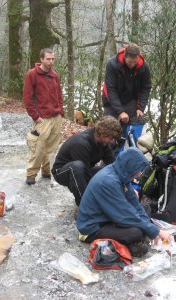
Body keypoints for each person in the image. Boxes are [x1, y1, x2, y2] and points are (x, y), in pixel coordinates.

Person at [76, 147, 172, 257]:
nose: (140, 174)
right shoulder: (108, 181)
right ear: (130, 167)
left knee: (145, 208)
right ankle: (133, 242)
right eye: (138, 170)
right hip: (93, 228)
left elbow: (134, 204)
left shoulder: (122, 175)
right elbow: (125, 216)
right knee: (136, 232)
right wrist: (156, 232)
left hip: (109, 218)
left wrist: (151, 229)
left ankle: (137, 241)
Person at [52, 116, 122, 206]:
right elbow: (85, 174)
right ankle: (84, 206)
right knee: (78, 167)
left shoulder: (103, 143)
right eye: (111, 138)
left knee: (107, 170)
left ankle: (101, 199)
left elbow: (112, 164)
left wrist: (125, 181)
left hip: (83, 169)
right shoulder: (81, 143)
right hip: (62, 172)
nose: (112, 141)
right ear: (103, 133)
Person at [23, 48, 64, 185]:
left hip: (56, 116)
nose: (51, 61)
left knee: (51, 147)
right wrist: (35, 116)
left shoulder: (54, 75)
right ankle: (31, 173)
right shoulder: (32, 74)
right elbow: (27, 98)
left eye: (53, 59)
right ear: (41, 59)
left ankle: (46, 170)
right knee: (38, 147)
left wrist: (60, 112)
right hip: (42, 118)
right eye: (48, 59)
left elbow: (59, 94)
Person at [102, 43, 151, 124]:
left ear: (138, 57)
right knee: (109, 126)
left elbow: (145, 87)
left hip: (130, 98)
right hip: (111, 99)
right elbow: (111, 89)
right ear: (125, 56)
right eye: (130, 62)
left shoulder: (144, 67)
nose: (132, 64)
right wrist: (120, 112)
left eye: (135, 62)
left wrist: (140, 108)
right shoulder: (112, 64)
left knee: (130, 124)